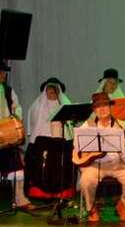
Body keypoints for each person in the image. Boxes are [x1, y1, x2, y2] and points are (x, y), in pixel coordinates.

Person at [77, 93, 125, 222]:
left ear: (110, 107)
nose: (102, 109)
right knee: (86, 181)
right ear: (94, 110)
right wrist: (88, 153)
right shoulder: (87, 125)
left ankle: (124, 205)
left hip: (118, 163)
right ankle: (91, 208)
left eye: (105, 105)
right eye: (98, 107)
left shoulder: (122, 126)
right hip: (93, 164)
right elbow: (77, 146)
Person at [0, 61, 33, 210]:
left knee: (17, 170)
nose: (2, 75)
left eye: (4, 72)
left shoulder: (8, 91)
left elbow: (17, 107)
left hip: (7, 136)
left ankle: (20, 199)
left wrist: (14, 119)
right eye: (0, 72)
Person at [27, 78, 71, 142]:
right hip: (43, 141)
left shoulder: (65, 103)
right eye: (49, 89)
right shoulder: (38, 106)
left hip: (61, 141)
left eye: (54, 90)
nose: (52, 92)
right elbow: (36, 126)